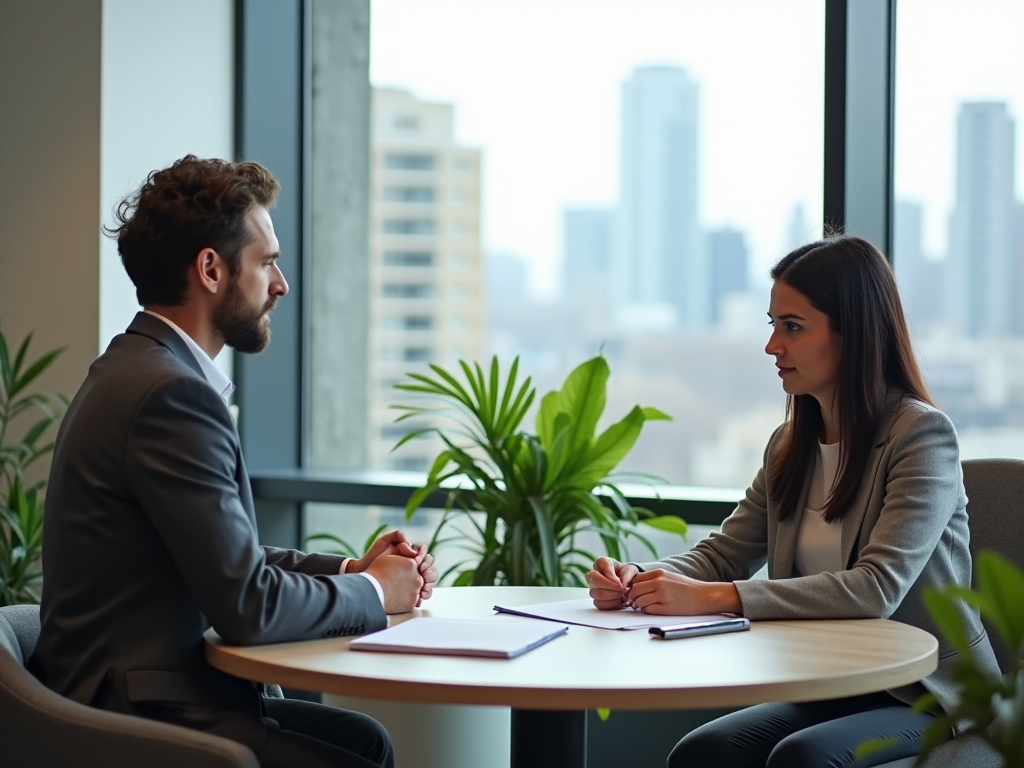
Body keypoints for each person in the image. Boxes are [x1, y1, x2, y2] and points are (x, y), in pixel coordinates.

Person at [29, 155, 437, 768]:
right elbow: (249, 606)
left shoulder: (137, 368)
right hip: (139, 715)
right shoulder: (171, 394)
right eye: (267, 261)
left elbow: (222, 558)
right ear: (211, 269)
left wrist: (354, 567)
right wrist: (375, 592)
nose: (281, 284)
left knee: (365, 741)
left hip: (141, 691)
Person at [586, 235, 1001, 768]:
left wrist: (714, 598)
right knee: (702, 753)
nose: (772, 346)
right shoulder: (788, 446)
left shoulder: (921, 437)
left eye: (793, 327)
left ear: (854, 334)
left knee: (802, 759)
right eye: (773, 325)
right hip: (831, 680)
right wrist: (638, 579)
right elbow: (721, 556)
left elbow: (877, 589)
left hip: (927, 689)